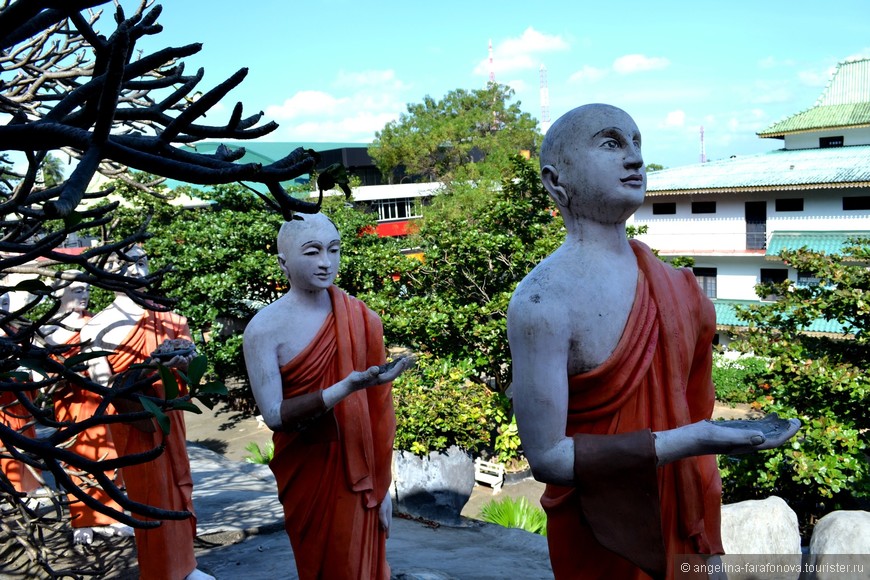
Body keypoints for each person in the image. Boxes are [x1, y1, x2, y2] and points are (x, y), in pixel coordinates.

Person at [506, 104, 801, 580]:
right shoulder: (541, 300)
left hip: (682, 513)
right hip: (603, 532)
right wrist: (694, 439)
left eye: (637, 143)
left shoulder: (678, 289)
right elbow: (547, 458)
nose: (635, 159)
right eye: (610, 143)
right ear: (556, 181)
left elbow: (691, 404)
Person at [243, 212, 411, 580]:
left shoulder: (361, 318)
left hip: (360, 468)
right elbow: (273, 414)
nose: (326, 262)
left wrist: (383, 487)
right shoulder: (264, 328)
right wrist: (346, 387)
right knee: (325, 565)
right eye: (313, 251)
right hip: (309, 466)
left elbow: (380, 411)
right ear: (283, 262)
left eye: (333, 250)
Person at [79, 247, 212, 580]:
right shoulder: (98, 326)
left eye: (142, 262)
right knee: (151, 493)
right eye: (125, 264)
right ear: (108, 271)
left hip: (171, 419)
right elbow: (105, 389)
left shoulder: (170, 318)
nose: (137, 271)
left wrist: (182, 365)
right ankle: (162, 570)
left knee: (179, 486)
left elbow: (191, 375)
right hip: (134, 423)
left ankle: (186, 565)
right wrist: (148, 368)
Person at [43, 274, 133, 545]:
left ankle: (112, 515)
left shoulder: (93, 323)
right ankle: (82, 519)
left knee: (107, 455)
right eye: (78, 290)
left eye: (87, 290)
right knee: (75, 459)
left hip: (98, 399)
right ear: (59, 292)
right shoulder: (46, 329)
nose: (85, 296)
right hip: (68, 402)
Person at [0, 291, 41, 497]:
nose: (2, 306)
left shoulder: (17, 334)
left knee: (24, 444)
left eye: (5, 302)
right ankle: (14, 491)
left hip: (20, 402)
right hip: (4, 404)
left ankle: (29, 490)